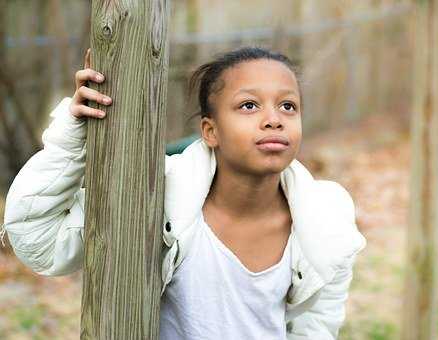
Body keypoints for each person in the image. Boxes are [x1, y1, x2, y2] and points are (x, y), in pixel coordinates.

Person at [2, 46, 367, 339]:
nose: (274, 118)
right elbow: (37, 238)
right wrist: (73, 136)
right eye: (249, 105)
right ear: (211, 131)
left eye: (288, 105)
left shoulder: (325, 219)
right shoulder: (157, 196)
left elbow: (316, 326)